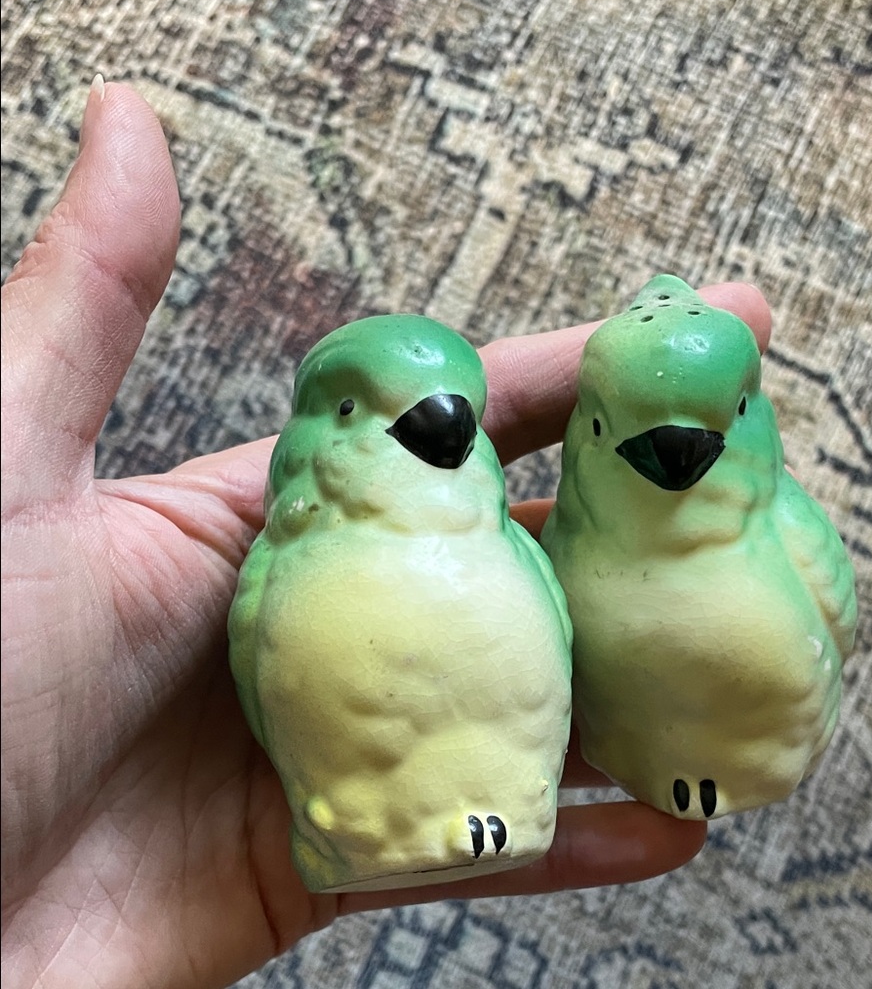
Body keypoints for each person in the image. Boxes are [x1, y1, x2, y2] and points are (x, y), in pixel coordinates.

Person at [0, 80, 772, 989]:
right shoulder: (282, 574)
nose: (440, 427)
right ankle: (356, 832)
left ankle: (501, 812)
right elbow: (271, 703)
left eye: (458, 411)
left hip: (507, 804)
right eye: (361, 410)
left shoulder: (516, 557)